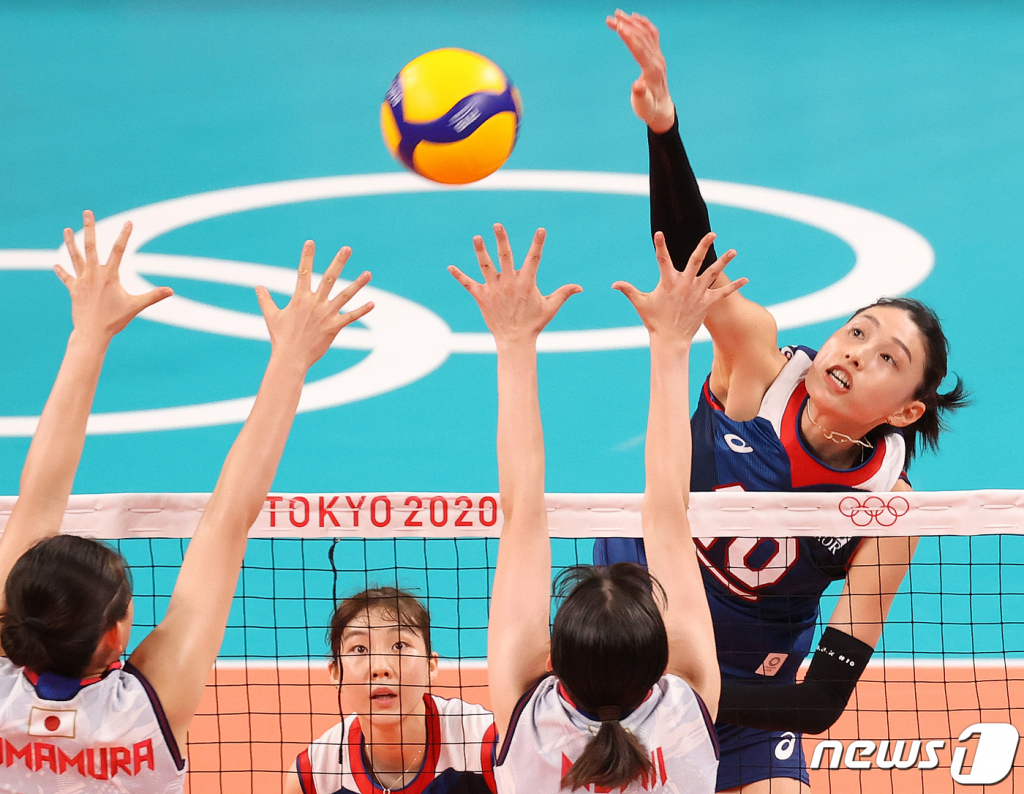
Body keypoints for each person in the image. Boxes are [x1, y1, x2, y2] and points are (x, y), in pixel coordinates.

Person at [595, 12, 969, 794]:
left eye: (887, 359)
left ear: (906, 410)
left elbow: (822, 699)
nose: (855, 353)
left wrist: (688, 695)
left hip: (741, 703)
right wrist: (664, 128)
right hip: (623, 644)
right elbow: (691, 261)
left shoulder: (887, 512)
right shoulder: (757, 364)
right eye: (857, 332)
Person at [0, 211, 373, 794]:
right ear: (114, 636)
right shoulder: (147, 707)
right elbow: (229, 518)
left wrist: (87, 335)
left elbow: (38, 498)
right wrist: (291, 359)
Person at [450, 223, 743, 792]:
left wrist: (513, 341)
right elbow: (668, 510)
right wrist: (673, 341)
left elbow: (523, 509)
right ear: (662, 664)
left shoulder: (528, 723)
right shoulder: (686, 711)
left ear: (551, 661)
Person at [287, 586, 497, 794]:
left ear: (430, 666)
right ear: (335, 673)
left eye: (399, 645)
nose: (380, 668)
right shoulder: (315, 776)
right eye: (360, 649)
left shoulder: (488, 745)